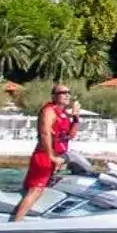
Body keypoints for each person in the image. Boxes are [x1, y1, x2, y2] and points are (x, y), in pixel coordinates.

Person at [11, 83, 78, 222]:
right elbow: (45, 133)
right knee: (36, 190)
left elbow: (70, 136)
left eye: (68, 92)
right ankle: (16, 223)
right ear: (54, 96)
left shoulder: (64, 114)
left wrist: (76, 117)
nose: (66, 95)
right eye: (62, 93)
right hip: (44, 155)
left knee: (46, 188)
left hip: (56, 157)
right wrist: (51, 156)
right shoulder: (49, 111)